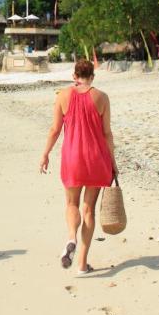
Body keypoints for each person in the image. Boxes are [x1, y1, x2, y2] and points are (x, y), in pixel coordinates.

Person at [39, 59, 117, 274]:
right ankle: (82, 263)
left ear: (74, 76)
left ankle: (71, 237)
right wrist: (113, 162)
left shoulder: (62, 95)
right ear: (92, 76)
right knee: (89, 210)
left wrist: (45, 154)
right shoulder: (101, 97)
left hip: (72, 158)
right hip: (96, 158)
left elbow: (55, 129)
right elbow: (107, 133)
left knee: (72, 204)